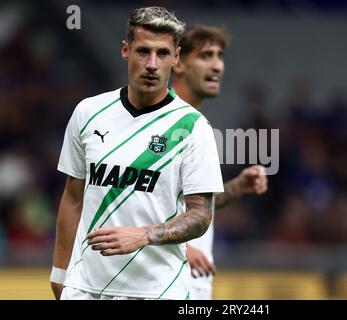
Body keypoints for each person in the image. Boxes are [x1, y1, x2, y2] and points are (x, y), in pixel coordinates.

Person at [50, 7, 223, 300]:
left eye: (163, 53)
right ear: (125, 50)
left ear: (176, 58)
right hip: (85, 287)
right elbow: (73, 197)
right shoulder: (88, 113)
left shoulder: (194, 127)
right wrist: (60, 273)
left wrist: (143, 235)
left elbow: (200, 215)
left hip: (158, 290)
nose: (152, 64)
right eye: (143, 51)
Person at [172, 25, 268, 300]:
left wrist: (237, 187)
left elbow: (191, 205)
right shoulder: (161, 124)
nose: (217, 66)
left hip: (193, 285)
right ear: (178, 62)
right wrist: (179, 249)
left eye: (220, 55)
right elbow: (132, 200)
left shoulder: (198, 126)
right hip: (162, 281)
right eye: (205, 56)